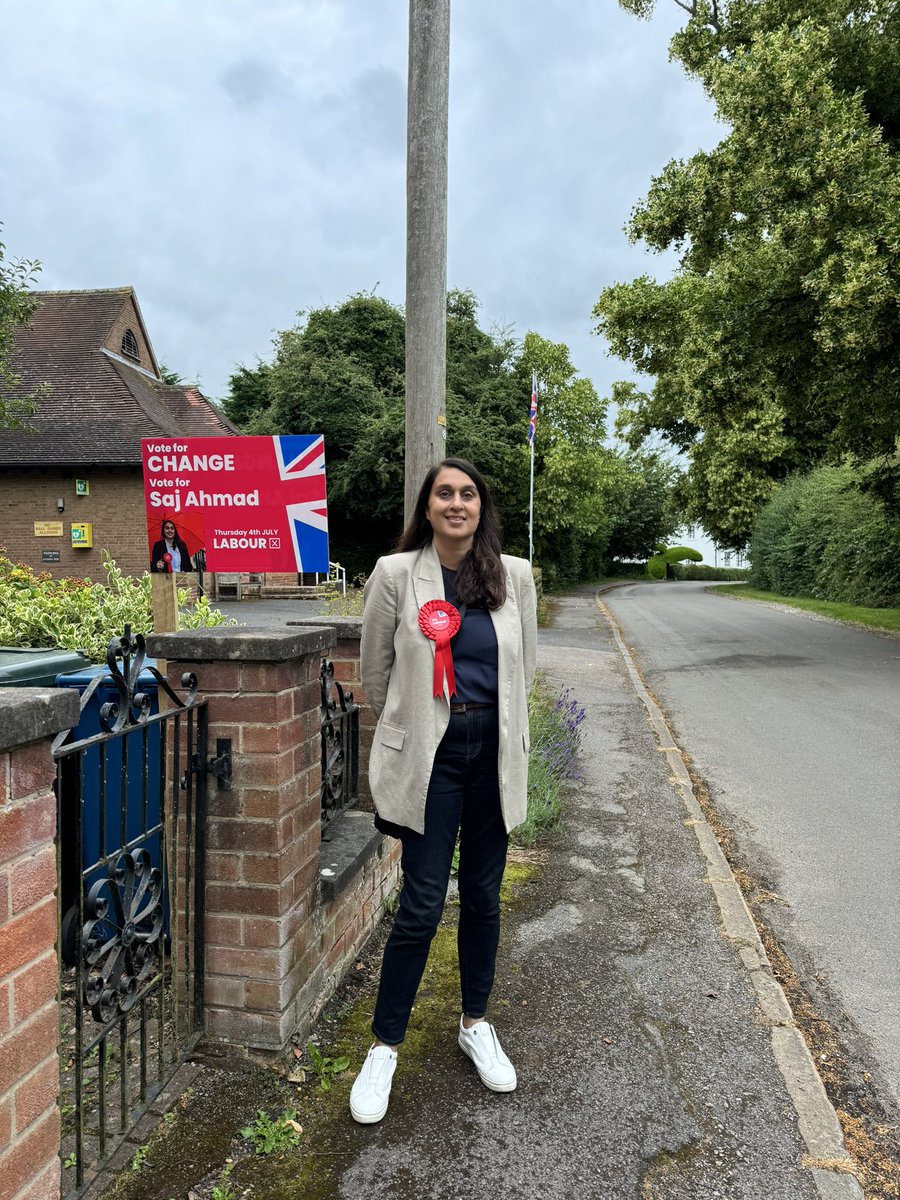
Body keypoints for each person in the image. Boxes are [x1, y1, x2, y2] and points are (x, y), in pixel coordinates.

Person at [350, 458, 537, 1124]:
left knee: (484, 896)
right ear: (427, 508)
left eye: (467, 494)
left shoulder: (513, 576)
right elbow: (376, 674)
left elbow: (526, 669)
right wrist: (414, 727)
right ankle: (384, 1047)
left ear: (481, 507)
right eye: (444, 494)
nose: (456, 503)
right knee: (423, 903)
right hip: (432, 760)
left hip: (493, 756)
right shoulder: (396, 575)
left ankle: (475, 1023)